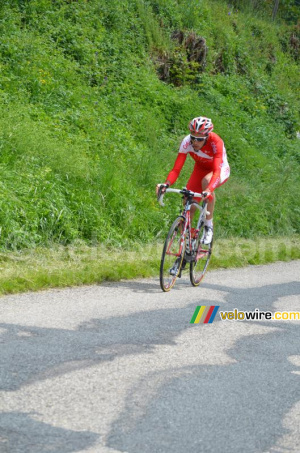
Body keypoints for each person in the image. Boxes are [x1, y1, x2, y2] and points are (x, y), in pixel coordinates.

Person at [156, 116, 230, 245]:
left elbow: (217, 171)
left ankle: (208, 226)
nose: (195, 142)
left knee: (206, 183)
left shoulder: (216, 142)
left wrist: (208, 190)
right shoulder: (186, 142)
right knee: (187, 202)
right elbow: (176, 169)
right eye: (193, 137)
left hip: (219, 169)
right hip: (200, 168)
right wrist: (166, 184)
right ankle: (187, 246)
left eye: (199, 139)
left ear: (207, 136)